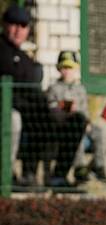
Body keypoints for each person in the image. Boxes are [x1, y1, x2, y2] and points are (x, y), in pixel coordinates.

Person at [0, 4, 50, 186]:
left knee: (45, 117)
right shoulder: (2, 49)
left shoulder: (23, 55)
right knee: (13, 121)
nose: (18, 30)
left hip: (24, 108)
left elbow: (33, 75)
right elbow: (18, 73)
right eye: (13, 24)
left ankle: (31, 173)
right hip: (5, 108)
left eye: (23, 26)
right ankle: (6, 173)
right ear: (4, 25)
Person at [45, 50, 90, 187]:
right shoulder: (54, 88)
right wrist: (65, 108)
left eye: (70, 67)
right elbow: (51, 108)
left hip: (80, 125)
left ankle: (98, 168)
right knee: (77, 134)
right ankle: (79, 168)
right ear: (59, 69)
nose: (67, 71)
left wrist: (87, 123)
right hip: (62, 128)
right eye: (64, 67)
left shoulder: (80, 89)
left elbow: (85, 111)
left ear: (76, 68)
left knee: (99, 132)